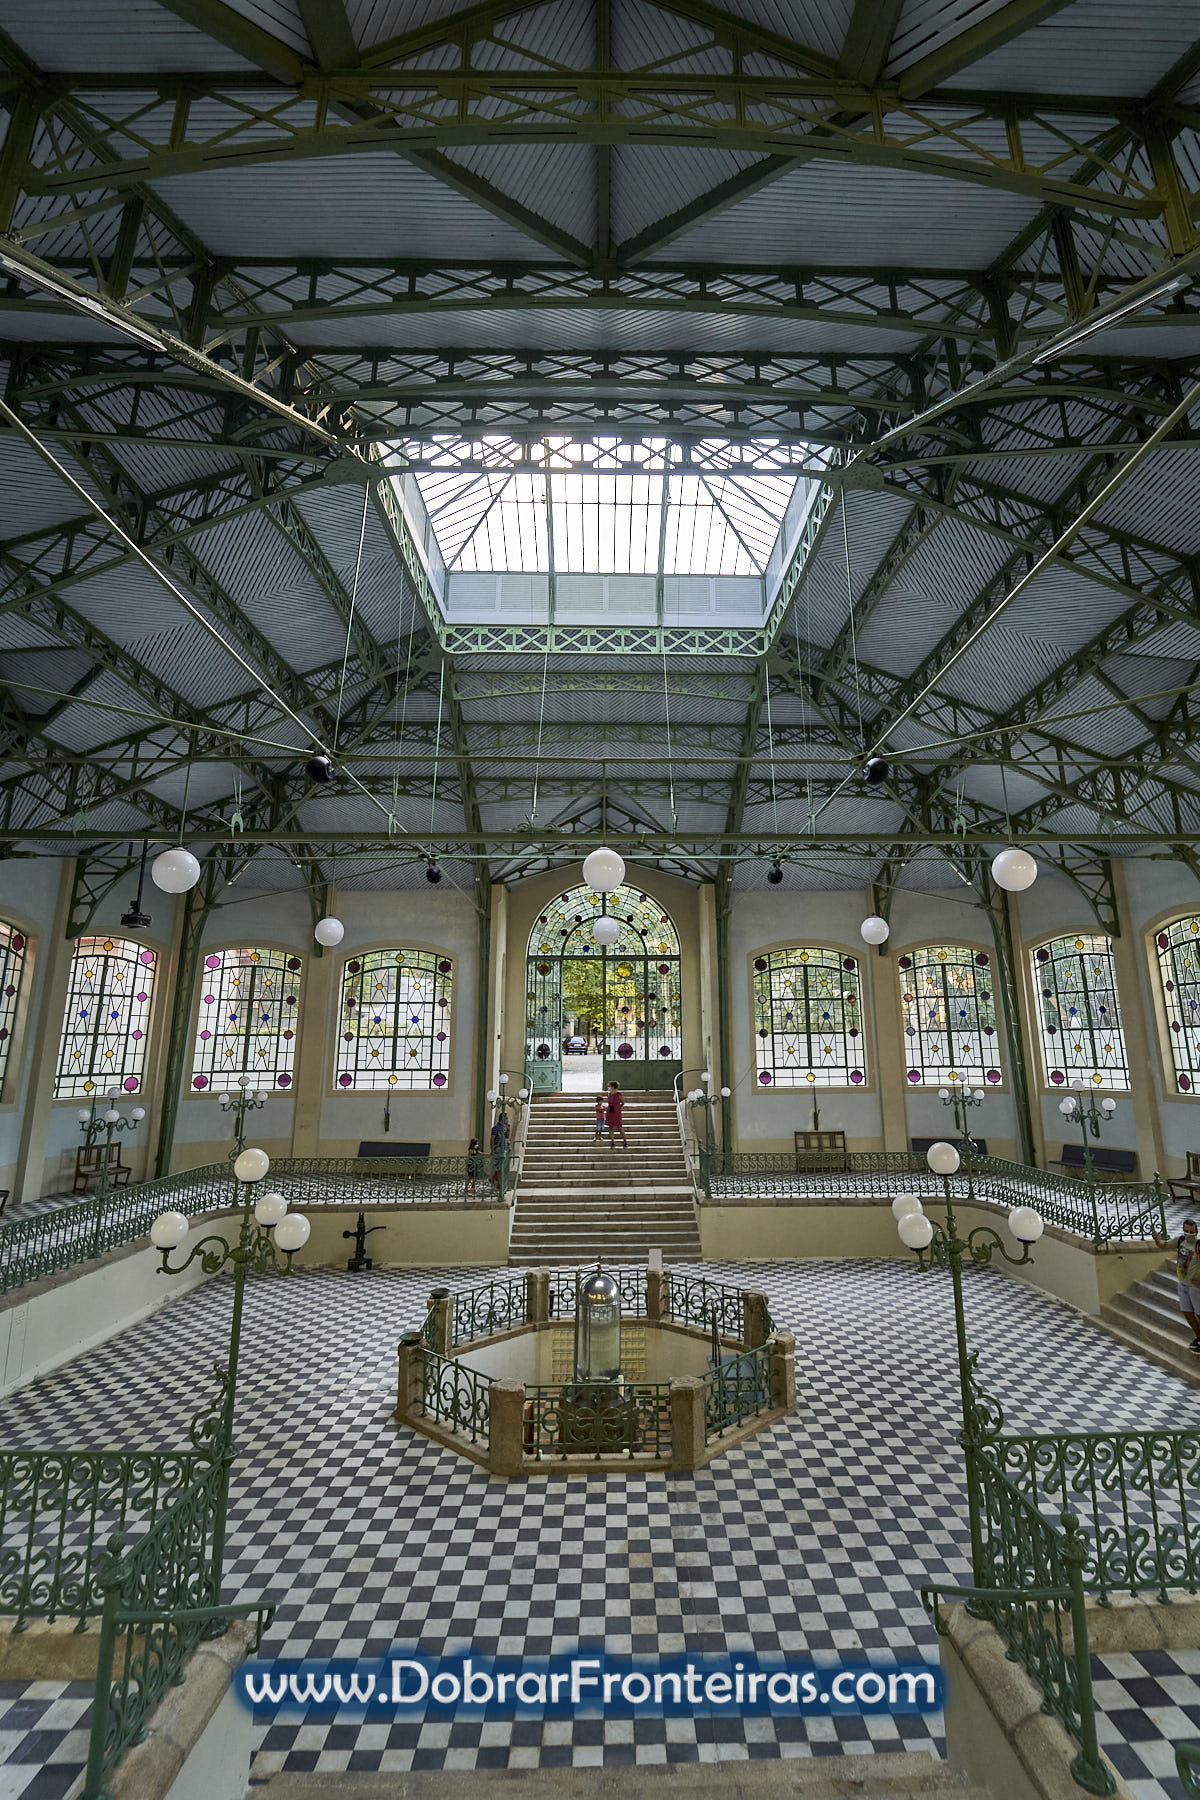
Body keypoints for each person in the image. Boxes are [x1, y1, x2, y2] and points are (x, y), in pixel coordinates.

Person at [1154, 1217, 1200, 1350]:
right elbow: (1163, 1245)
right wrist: (1157, 1239)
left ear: (1196, 1231)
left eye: (1191, 1232)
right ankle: (1199, 1338)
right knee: (1187, 1312)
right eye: (1186, 1231)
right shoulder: (1180, 1240)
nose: (1188, 1234)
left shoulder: (1198, 1245)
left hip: (1195, 1286)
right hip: (1182, 1283)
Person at [605, 1081, 628, 1151]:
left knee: (619, 1127)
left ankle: (625, 1141)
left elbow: (623, 1102)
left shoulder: (619, 1094)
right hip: (610, 1111)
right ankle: (613, 1142)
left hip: (616, 1112)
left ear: (613, 1087)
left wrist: (618, 1108)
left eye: (610, 1086)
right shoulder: (609, 1094)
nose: (609, 1088)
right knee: (611, 1127)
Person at [490, 1110, 510, 1187]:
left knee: (501, 1167)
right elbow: (492, 1139)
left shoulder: (504, 1127)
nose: (507, 1120)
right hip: (497, 1149)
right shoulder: (496, 1127)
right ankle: (499, 1183)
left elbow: (507, 1137)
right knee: (499, 1167)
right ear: (502, 1119)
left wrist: (508, 1129)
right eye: (506, 1118)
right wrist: (492, 1149)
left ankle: (494, 1178)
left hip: (503, 1149)